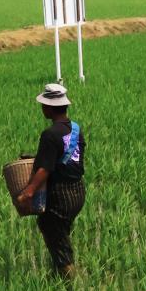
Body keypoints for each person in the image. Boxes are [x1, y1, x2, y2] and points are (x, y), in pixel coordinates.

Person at [13, 83, 87, 279]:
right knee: (59, 232)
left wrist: (28, 192)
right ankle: (60, 271)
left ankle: (72, 283)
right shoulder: (76, 129)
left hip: (60, 195)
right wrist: (36, 157)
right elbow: (64, 157)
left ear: (49, 107)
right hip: (77, 192)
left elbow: (45, 169)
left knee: (54, 234)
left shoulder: (50, 134)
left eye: (43, 105)